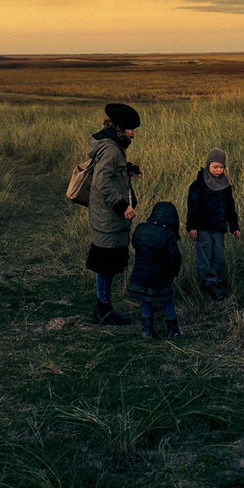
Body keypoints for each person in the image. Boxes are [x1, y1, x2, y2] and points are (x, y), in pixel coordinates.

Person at [85, 102, 141, 325]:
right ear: (120, 128)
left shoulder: (112, 145)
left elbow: (110, 172)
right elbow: (101, 181)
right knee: (105, 264)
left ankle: (103, 306)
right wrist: (122, 206)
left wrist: (128, 170)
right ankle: (103, 309)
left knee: (105, 263)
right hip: (108, 216)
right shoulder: (111, 149)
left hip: (104, 214)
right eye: (130, 130)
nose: (133, 134)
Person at [185, 147, 240, 300]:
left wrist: (234, 226)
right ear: (208, 165)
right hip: (203, 228)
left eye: (221, 167)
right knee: (205, 256)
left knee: (219, 256)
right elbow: (193, 206)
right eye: (215, 166)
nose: (218, 170)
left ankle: (218, 283)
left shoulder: (225, 185)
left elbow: (230, 206)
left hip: (219, 227)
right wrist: (191, 227)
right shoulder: (199, 184)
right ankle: (208, 285)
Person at [127, 201, 183, 339]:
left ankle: (147, 330)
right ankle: (173, 329)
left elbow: (134, 244)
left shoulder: (140, 228)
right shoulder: (168, 236)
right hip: (161, 277)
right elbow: (174, 257)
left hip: (141, 276)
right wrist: (173, 273)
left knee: (146, 300)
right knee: (167, 300)